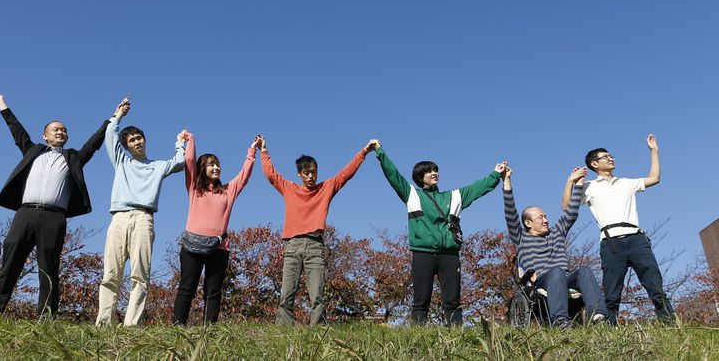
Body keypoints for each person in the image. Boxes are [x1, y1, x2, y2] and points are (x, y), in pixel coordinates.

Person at [0, 94, 109, 318]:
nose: (60, 132)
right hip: (25, 214)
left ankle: (45, 319)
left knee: (48, 270)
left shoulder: (73, 158)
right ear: (45, 135)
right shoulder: (33, 150)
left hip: (54, 219)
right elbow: (16, 130)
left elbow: (94, 143)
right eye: (55, 129)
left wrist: (112, 119)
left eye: (64, 129)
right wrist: (2, 104)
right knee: (10, 265)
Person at [374, 141, 503, 326]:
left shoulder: (454, 196)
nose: (434, 173)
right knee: (420, 301)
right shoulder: (412, 195)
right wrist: (379, 151)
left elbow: (478, 188)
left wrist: (495, 173)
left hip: (449, 254)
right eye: (428, 171)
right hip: (422, 253)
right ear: (419, 177)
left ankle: (457, 338)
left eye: (435, 170)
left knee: (452, 302)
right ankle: (418, 338)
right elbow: (393, 175)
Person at [258, 135, 380, 325]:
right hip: (293, 245)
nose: (310, 176)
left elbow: (346, 173)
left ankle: (317, 333)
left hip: (315, 246)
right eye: (306, 173)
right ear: (299, 173)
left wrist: (364, 151)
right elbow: (271, 175)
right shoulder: (290, 189)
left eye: (313, 172)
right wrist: (263, 150)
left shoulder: (326, 188)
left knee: (317, 295)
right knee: (286, 295)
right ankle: (282, 333)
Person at [564, 134, 674, 325]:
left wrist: (654, 151)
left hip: (637, 239)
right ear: (594, 164)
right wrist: (570, 182)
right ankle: (610, 331)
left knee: (655, 286)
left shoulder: (626, 183)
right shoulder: (589, 187)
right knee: (612, 292)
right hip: (610, 241)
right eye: (605, 157)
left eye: (611, 155)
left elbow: (655, 178)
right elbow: (566, 206)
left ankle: (670, 324)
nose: (611, 158)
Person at [95, 98, 186, 326]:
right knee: (111, 274)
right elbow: (110, 136)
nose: (136, 142)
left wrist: (179, 142)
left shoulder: (157, 166)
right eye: (132, 140)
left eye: (139, 138)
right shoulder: (122, 161)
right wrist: (118, 115)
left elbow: (180, 162)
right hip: (120, 217)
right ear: (126, 145)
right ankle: (103, 323)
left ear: (145, 140)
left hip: (144, 218)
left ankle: (131, 325)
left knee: (140, 274)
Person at [171, 131, 259, 325]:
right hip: (191, 246)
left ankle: (209, 331)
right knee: (187, 288)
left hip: (218, 248)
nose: (216, 167)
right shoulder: (194, 187)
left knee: (213, 291)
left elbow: (244, 176)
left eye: (218, 164)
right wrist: (191, 140)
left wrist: (252, 151)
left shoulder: (228, 191)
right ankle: (177, 329)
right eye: (211, 164)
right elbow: (189, 162)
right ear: (203, 168)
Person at [503, 165, 607, 327]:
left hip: (565, 279)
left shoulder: (556, 232)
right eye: (540, 218)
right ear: (528, 223)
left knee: (584, 271)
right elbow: (510, 211)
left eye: (545, 217)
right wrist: (507, 181)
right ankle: (560, 320)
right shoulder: (521, 237)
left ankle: (598, 316)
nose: (546, 220)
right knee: (556, 272)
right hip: (542, 281)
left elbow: (572, 212)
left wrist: (578, 183)